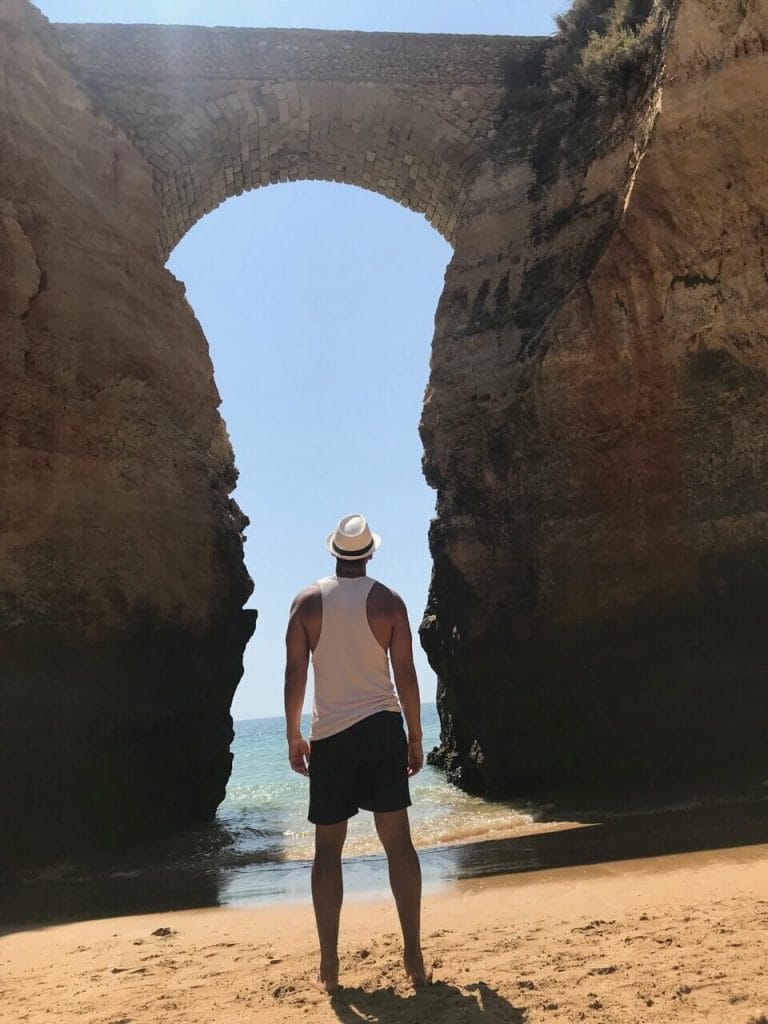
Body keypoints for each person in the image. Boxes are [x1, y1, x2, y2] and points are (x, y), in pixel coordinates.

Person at [284, 513, 429, 992]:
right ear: (369, 554)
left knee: (328, 849)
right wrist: (414, 734)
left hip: (332, 736)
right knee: (397, 842)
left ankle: (329, 967)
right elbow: (405, 675)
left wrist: (293, 736)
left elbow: (295, 677)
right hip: (381, 728)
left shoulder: (306, 603)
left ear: (334, 553)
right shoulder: (389, 602)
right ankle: (413, 956)